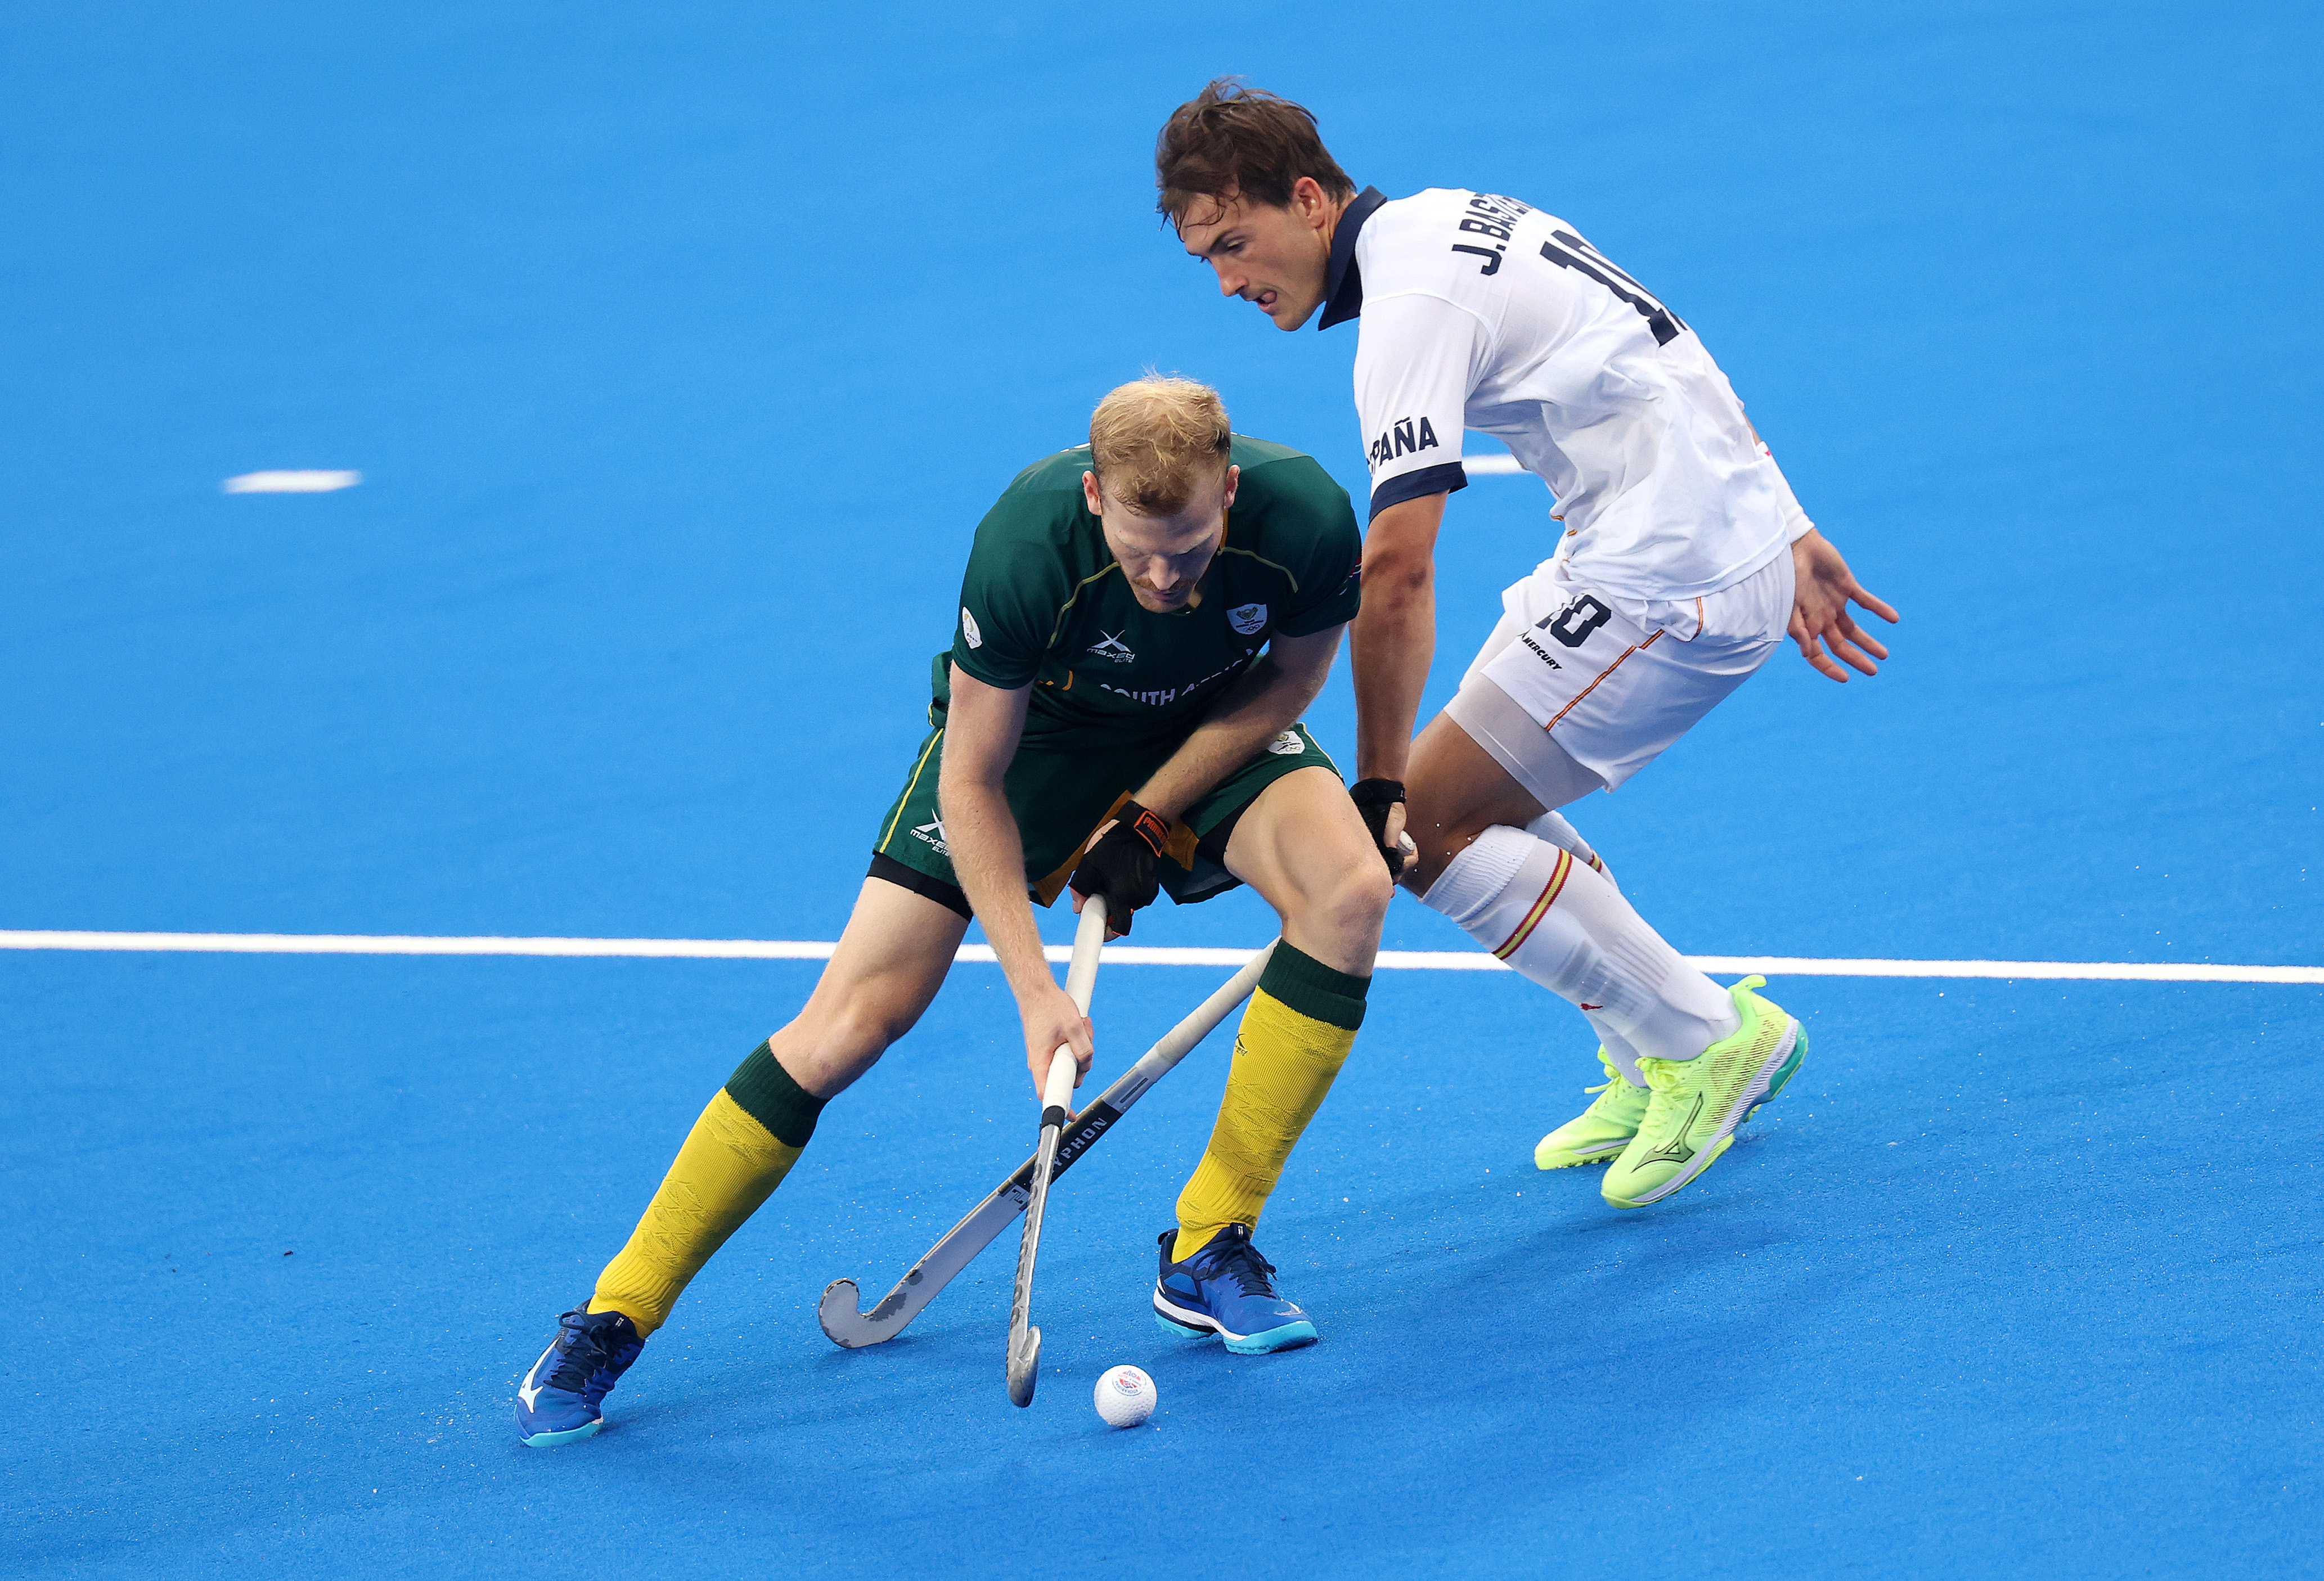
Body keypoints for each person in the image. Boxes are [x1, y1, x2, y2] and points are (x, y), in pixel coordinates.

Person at [514, 375, 1391, 1445]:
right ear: (1094, 500)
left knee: (1348, 893)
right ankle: (618, 1309)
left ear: (1232, 492)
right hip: (1035, 747)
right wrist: (1034, 992)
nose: (1166, 578)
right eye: (1139, 548)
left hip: (1207, 730)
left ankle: (1211, 1242)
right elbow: (972, 781)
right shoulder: (1025, 548)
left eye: (1194, 547)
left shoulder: (1304, 518)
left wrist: (1147, 816)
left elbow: (1288, 687)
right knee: (850, 1024)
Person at [1156, 82, 1900, 1213]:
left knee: (1435, 825)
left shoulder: (1404, 313)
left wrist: (1375, 780)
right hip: (1679, 537)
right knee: (1470, 801)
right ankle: (1654, 1038)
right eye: (1205, 259)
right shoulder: (1459, 211)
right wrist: (1785, 519)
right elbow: (1664, 342)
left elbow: (1398, 569)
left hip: (1668, 581)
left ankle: (1704, 1039)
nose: (1226, 281)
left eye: (1234, 242)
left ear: (1306, 199)